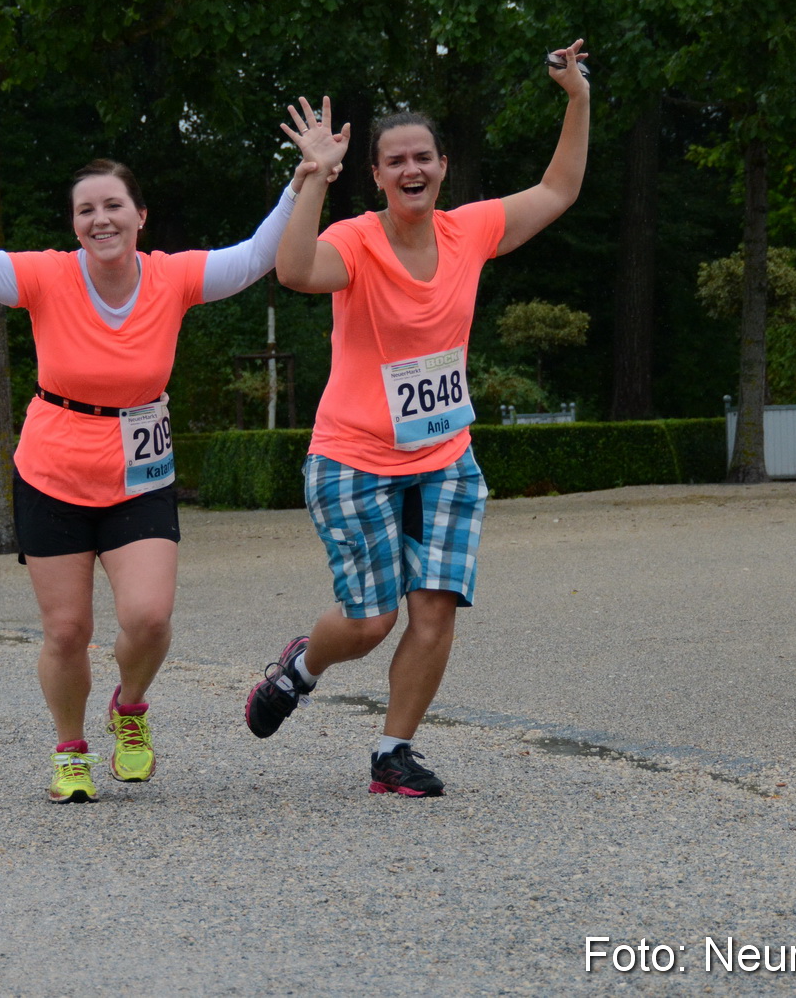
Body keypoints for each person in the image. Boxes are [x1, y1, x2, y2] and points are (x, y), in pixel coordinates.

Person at [0, 110, 335, 803]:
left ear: (141, 215)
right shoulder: (48, 278)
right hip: (52, 471)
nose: (100, 219)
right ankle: (70, 747)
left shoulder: (171, 278)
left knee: (147, 618)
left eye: (113, 205)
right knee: (68, 629)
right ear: (74, 224)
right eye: (86, 210)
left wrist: (304, 178)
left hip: (138, 474)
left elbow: (259, 253)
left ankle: (129, 707)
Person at [244, 43, 591, 797]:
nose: (411, 170)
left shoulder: (470, 231)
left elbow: (559, 188)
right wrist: (311, 176)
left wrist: (577, 97)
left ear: (441, 166)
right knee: (369, 623)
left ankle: (391, 752)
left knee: (434, 610)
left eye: (423, 158)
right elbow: (296, 270)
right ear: (374, 174)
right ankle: (302, 667)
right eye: (395, 160)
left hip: (443, 457)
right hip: (354, 457)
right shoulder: (356, 241)